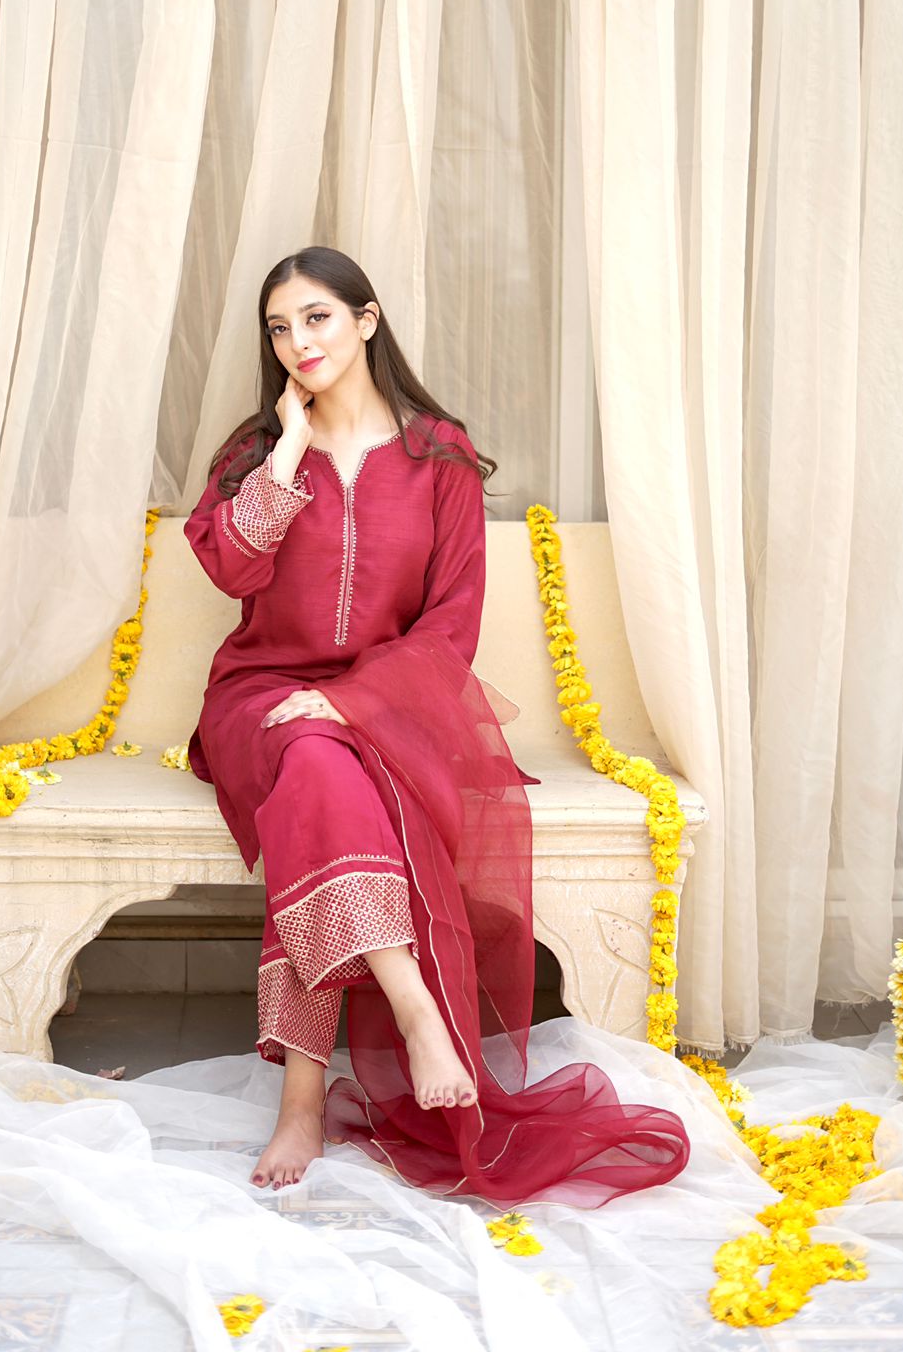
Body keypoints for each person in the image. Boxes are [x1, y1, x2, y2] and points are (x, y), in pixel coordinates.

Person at [184, 246, 690, 1207]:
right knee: (310, 757)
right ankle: (415, 1009)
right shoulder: (254, 452)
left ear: (367, 319)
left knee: (320, 778)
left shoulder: (438, 456)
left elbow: (450, 625)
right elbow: (233, 570)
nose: (299, 342)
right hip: (262, 696)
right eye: (280, 328)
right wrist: (287, 450)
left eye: (318, 318)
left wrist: (352, 702)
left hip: (390, 701)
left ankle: (302, 1098)